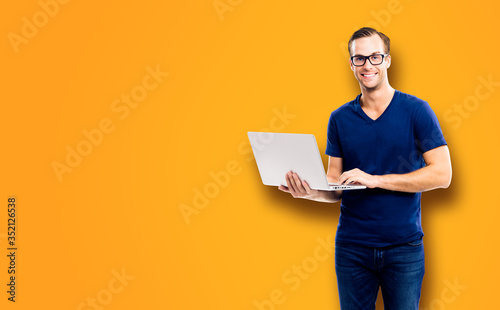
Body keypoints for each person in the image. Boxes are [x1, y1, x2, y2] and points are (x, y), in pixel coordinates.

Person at [278, 27, 452, 310]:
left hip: (404, 248)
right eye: (359, 59)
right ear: (351, 64)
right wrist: (309, 193)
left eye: (375, 57)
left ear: (388, 60)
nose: (367, 65)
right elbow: (336, 186)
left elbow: (442, 174)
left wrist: (375, 180)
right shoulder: (339, 118)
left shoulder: (417, 110)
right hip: (352, 249)